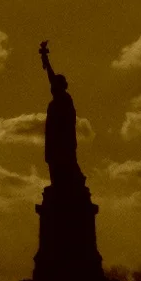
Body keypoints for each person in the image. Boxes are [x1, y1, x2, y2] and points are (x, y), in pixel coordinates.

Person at [39, 41, 78, 185]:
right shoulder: (56, 102)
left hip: (62, 140)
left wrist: (45, 57)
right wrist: (44, 56)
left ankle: (64, 185)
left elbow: (50, 74)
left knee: (63, 163)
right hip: (54, 140)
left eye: (55, 84)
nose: (52, 86)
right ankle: (57, 184)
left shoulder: (64, 100)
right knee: (54, 163)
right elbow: (50, 75)